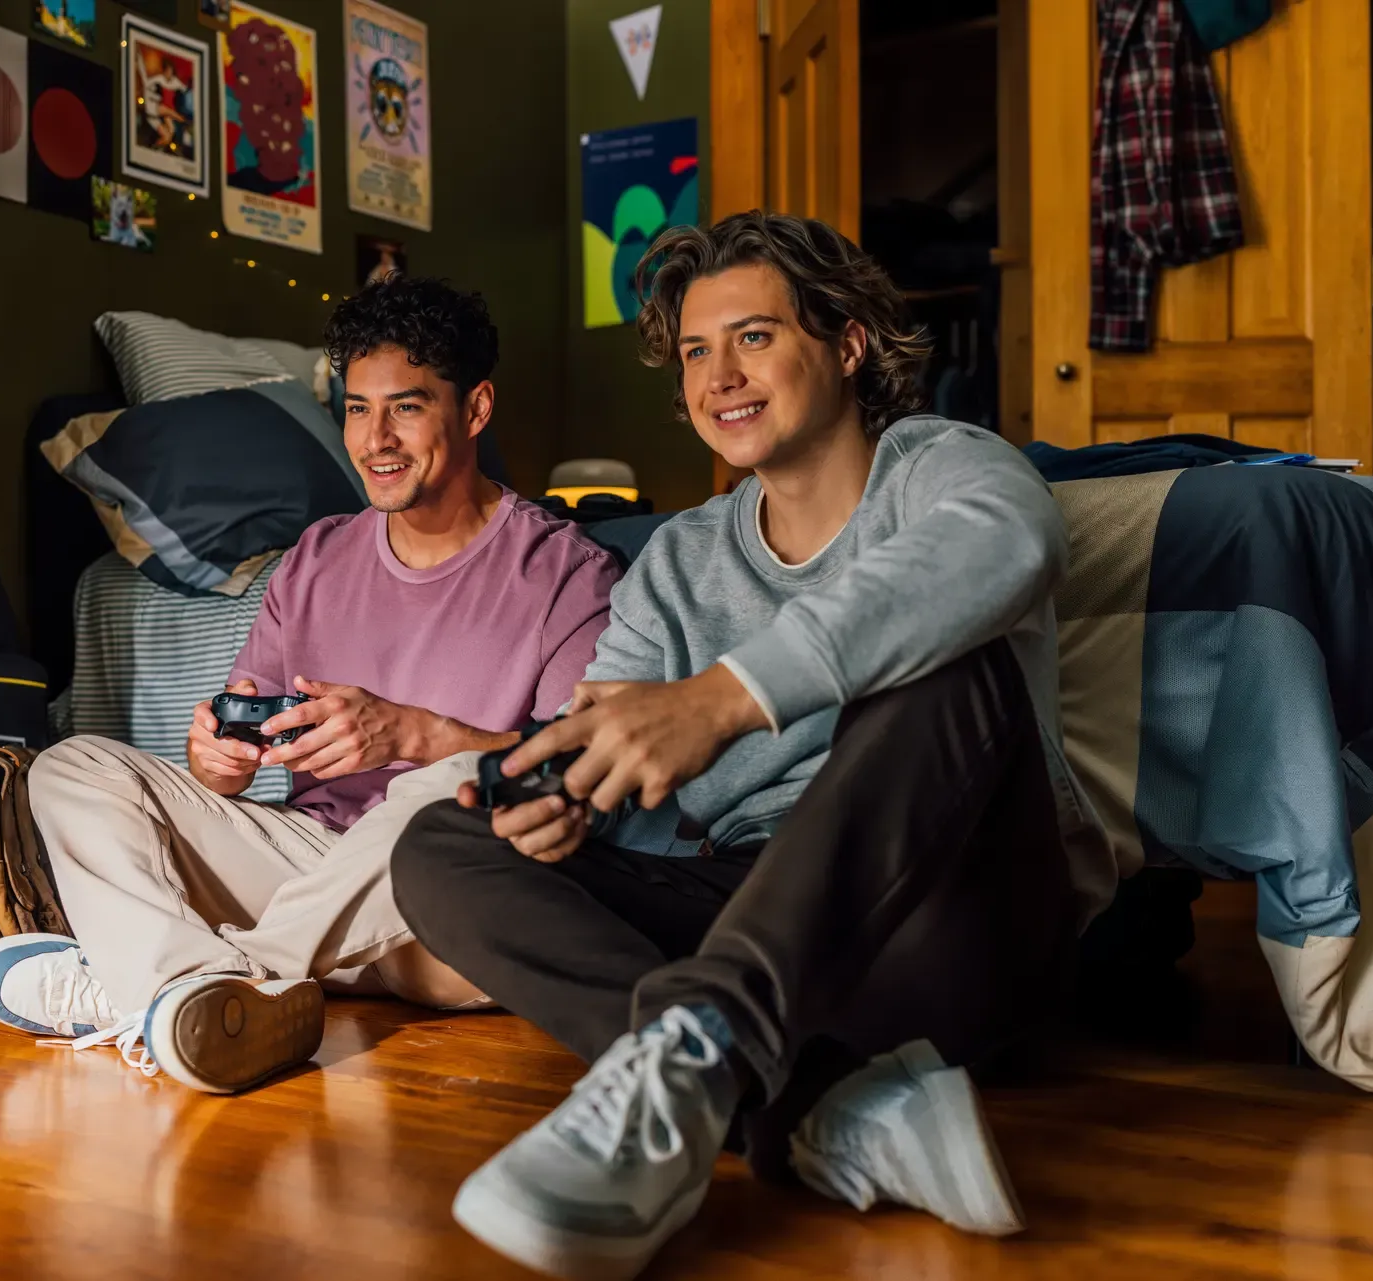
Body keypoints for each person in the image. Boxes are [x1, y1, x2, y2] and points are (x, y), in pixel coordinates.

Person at [390, 212, 1121, 1279]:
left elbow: (1015, 544)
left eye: (754, 338)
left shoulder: (942, 468)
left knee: (950, 664)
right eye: (695, 350)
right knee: (436, 849)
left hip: (949, 911)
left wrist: (728, 699)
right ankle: (811, 1103)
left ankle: (705, 1046)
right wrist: (568, 798)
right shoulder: (678, 558)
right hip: (754, 911)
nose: (719, 376)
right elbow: (613, 731)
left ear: (847, 343)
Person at [0, 276, 619, 1095]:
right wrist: (219, 764)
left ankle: (170, 986)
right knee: (72, 768)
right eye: (355, 408)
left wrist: (416, 734)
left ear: (476, 408)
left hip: (456, 901)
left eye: (406, 408)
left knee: (443, 786)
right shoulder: (316, 558)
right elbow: (230, 764)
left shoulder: (567, 571)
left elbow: (584, 775)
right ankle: (190, 994)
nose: (375, 438)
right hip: (309, 869)